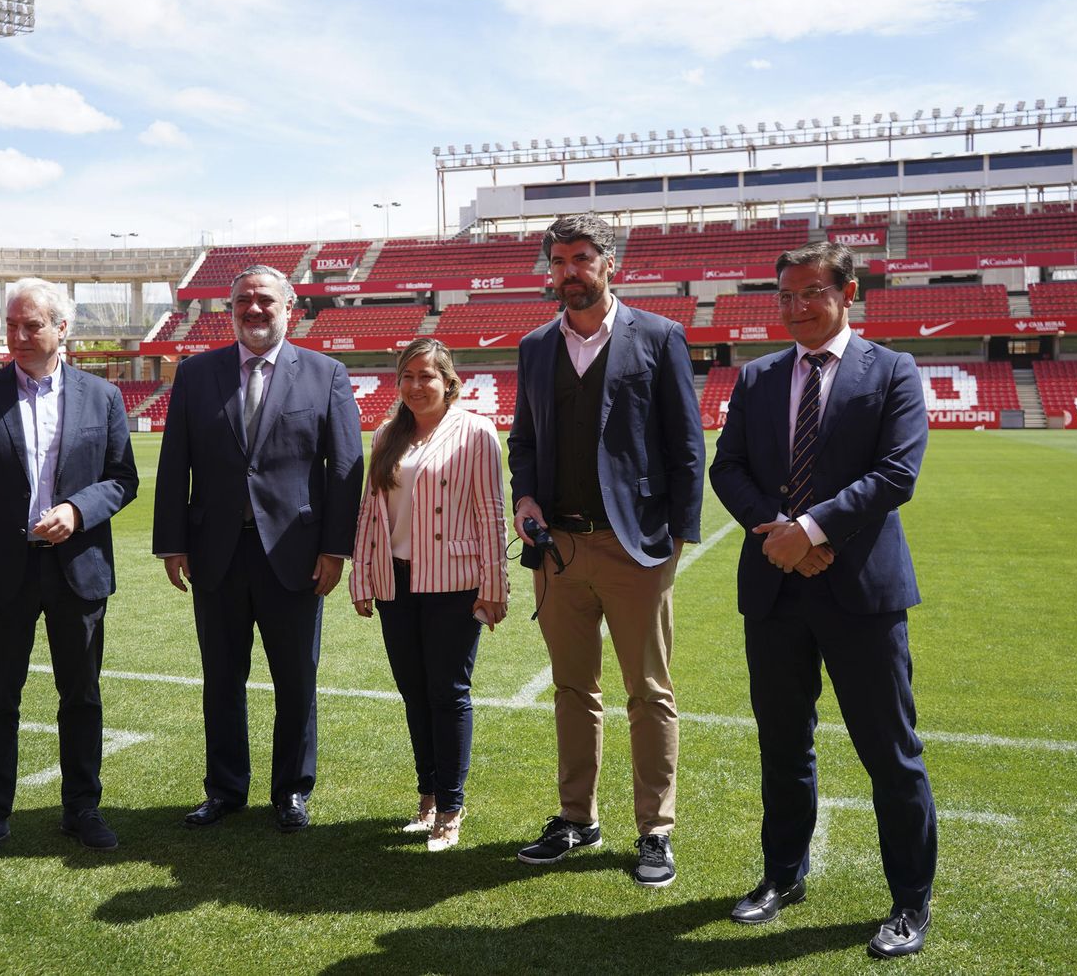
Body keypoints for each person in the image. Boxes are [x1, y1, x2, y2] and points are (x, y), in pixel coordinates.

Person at [709, 240, 937, 959]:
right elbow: (729, 467)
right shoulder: (757, 377)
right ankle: (782, 875)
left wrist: (810, 528)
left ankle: (910, 900)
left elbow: (897, 472)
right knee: (783, 744)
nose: (797, 307)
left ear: (848, 291)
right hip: (775, 590)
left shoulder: (892, 370)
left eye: (812, 292)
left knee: (890, 751)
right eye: (785, 295)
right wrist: (776, 532)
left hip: (861, 592)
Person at [507, 212, 705, 887]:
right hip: (558, 545)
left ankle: (655, 830)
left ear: (609, 263)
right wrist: (524, 499)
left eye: (583, 257)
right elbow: (524, 441)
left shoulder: (659, 336)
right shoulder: (536, 346)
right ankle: (576, 816)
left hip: (636, 547)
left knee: (648, 691)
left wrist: (677, 538)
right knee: (571, 689)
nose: (571, 270)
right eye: (560, 259)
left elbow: (686, 444)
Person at [153, 264, 363, 833]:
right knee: (221, 677)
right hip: (215, 553)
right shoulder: (197, 374)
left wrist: (335, 550)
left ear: (289, 306)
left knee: (296, 678)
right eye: (242, 300)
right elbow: (176, 464)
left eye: (265, 300)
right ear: (231, 310)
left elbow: (345, 468)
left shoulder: (326, 374)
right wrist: (173, 543)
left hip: (294, 554)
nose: (254, 309)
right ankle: (225, 788)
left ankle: (291, 790)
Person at [0, 277, 138, 868]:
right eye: (11, 326)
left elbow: (123, 480)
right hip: (1, 577)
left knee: (81, 696)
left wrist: (78, 510)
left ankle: (83, 808)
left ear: (61, 329)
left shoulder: (102, 397)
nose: (19, 337)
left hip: (78, 571)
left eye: (32, 326)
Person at [349, 338, 508, 852]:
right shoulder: (385, 435)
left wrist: (494, 585)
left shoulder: (476, 432)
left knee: (448, 694)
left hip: (452, 583)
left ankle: (451, 809)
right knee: (414, 694)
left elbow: (490, 512)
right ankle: (427, 798)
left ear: (448, 381)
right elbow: (371, 515)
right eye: (407, 377)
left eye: (427, 377)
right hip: (395, 583)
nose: (416, 386)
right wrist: (363, 578)